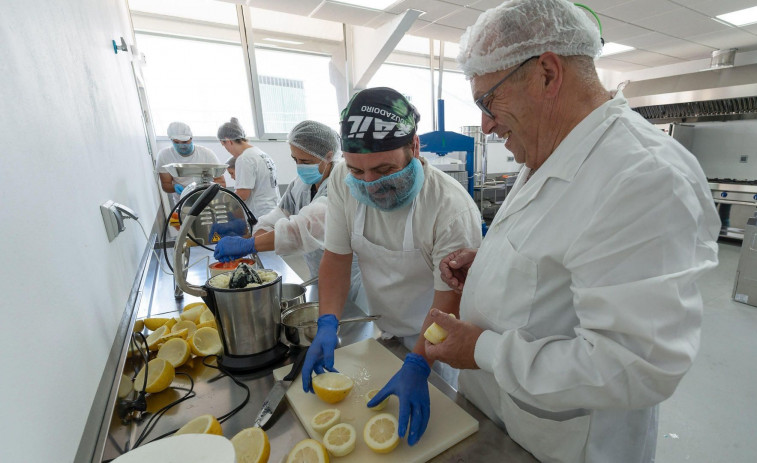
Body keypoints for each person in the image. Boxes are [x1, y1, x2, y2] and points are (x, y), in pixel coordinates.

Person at [424, 1, 721, 462]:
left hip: (566, 442)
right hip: (502, 418)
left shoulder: (642, 177)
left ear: (546, 73)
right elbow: (559, 261)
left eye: (488, 101)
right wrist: (494, 269)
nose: (485, 124)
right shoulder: (552, 148)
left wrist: (482, 349)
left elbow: (635, 367)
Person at [301, 87, 483, 446]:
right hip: (386, 334)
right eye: (358, 171)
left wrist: (418, 363)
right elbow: (337, 257)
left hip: (439, 345)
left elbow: (451, 300)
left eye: (384, 169)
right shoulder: (342, 180)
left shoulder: (449, 209)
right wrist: (327, 322)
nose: (369, 183)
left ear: (414, 148)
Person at [213, 120, 366, 306]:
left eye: (306, 161)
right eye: (295, 160)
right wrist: (259, 235)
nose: (300, 166)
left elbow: (305, 229)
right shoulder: (300, 184)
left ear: (328, 156)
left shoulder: (342, 183)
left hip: (352, 279)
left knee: (353, 326)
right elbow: (278, 215)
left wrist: (250, 244)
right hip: (318, 273)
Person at [217, 117, 281, 218]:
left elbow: (243, 194)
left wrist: (223, 206)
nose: (226, 150)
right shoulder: (260, 153)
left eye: (224, 145)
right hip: (273, 211)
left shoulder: (245, 158)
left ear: (228, 141)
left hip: (260, 215)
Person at [156, 121, 225, 199]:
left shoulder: (206, 154)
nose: (181, 145)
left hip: (207, 198)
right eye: (176, 142)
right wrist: (174, 187)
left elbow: (221, 182)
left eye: (185, 141)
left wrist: (206, 190)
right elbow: (165, 184)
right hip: (182, 200)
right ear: (171, 140)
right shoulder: (164, 155)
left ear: (191, 138)